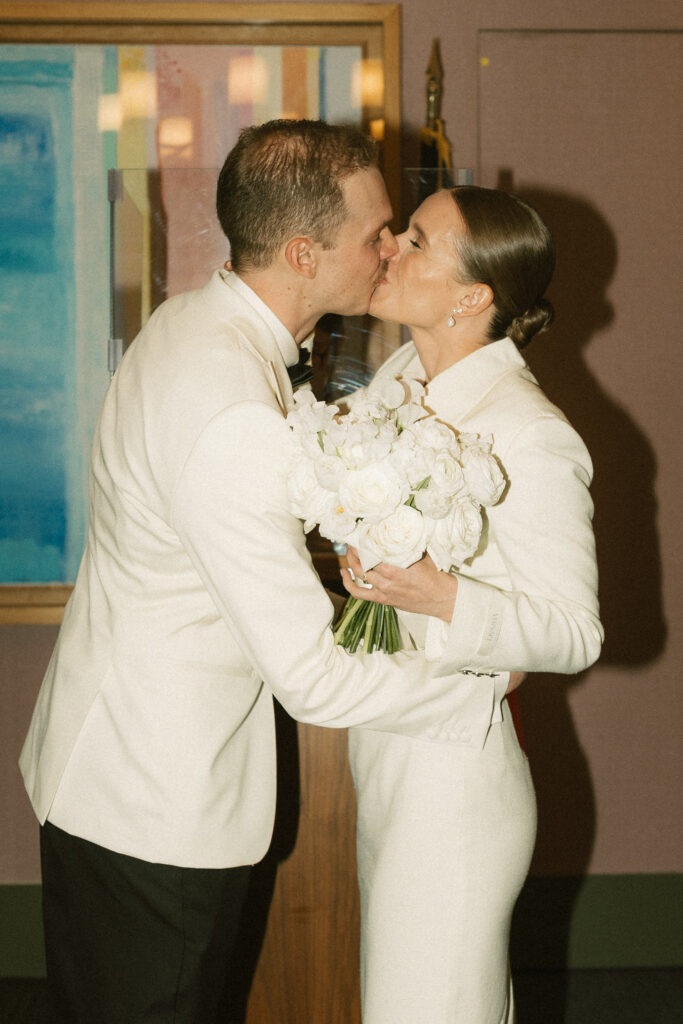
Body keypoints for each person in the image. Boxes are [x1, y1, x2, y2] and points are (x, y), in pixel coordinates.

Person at [19, 123, 518, 1024]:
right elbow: (311, 681)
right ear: (301, 252)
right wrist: (474, 687)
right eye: (376, 233)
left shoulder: (189, 322)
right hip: (152, 809)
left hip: (108, 769)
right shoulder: (229, 409)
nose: (391, 247)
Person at [341, 185, 603, 1023]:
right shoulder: (394, 379)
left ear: (472, 297)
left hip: (453, 782)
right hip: (386, 758)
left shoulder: (529, 431)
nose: (388, 249)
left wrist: (444, 596)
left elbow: (574, 632)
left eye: (415, 241)